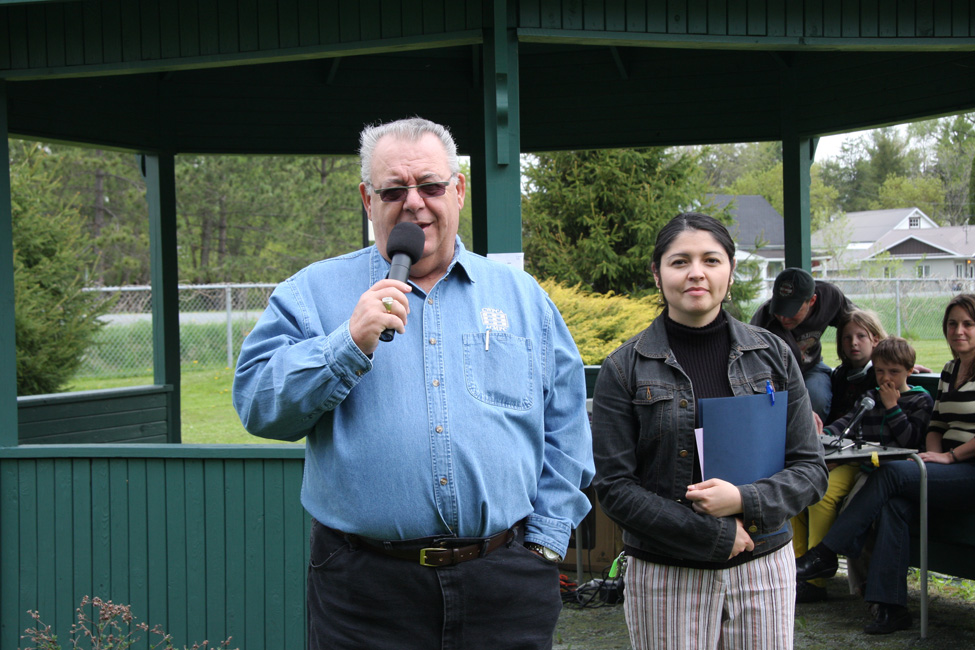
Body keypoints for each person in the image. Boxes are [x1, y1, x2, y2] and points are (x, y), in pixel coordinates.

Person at [232, 116, 595, 649]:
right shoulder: (312, 294)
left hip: (504, 583)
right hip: (365, 592)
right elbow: (259, 406)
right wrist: (346, 345)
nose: (414, 203)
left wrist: (544, 543)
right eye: (394, 190)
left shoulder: (521, 297)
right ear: (367, 199)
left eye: (429, 186)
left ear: (459, 190)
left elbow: (565, 423)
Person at [591, 213, 828, 650]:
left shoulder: (773, 355)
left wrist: (743, 500)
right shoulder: (623, 368)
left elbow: (811, 470)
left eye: (711, 260)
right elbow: (614, 488)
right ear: (658, 275)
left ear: (730, 271)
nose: (696, 272)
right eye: (680, 261)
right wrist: (712, 534)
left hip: (763, 565)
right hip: (666, 571)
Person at [796, 294, 975, 634]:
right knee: (894, 504)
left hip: (968, 470)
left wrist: (950, 457)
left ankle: (829, 552)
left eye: (968, 323)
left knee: (891, 472)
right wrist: (933, 454)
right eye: (952, 323)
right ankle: (891, 609)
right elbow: (936, 425)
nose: (959, 330)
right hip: (945, 469)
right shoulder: (952, 370)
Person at [792, 337, 933, 604]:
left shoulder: (918, 401)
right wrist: (823, 433)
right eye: (880, 371)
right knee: (816, 492)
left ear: (909, 372)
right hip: (860, 463)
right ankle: (805, 571)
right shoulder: (870, 397)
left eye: (894, 372)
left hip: (889, 470)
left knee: (856, 508)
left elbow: (910, 441)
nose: (885, 378)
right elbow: (847, 424)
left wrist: (892, 407)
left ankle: (845, 580)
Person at [751, 267, 854, 420]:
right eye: (779, 310)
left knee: (817, 398)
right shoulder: (764, 320)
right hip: (778, 376)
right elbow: (755, 368)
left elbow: (859, 322)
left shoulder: (830, 297)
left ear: (811, 301)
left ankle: (820, 440)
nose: (784, 318)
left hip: (812, 367)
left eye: (792, 311)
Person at [824, 309, 887, 426]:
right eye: (847, 337)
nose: (853, 342)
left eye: (861, 336)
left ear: (875, 340)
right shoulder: (839, 375)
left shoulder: (881, 375)